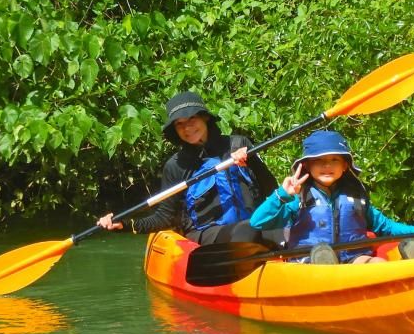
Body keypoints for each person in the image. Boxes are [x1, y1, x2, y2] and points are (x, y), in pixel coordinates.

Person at [97, 90, 282, 246]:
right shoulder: (176, 166)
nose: (187, 128)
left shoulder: (238, 145)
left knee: (280, 228)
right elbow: (164, 218)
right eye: (180, 124)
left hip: (254, 224)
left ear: (205, 119)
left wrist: (251, 161)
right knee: (248, 230)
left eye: (192, 118)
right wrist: (126, 225)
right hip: (206, 234)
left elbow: (271, 190)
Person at [250, 130, 414, 264]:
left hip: (354, 258)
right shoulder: (297, 198)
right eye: (319, 161)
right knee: (322, 259)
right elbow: (258, 222)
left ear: (345, 166)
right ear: (308, 165)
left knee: (377, 263)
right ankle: (326, 269)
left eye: (334, 160)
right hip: (308, 261)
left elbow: (386, 227)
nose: (327, 166)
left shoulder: (356, 198)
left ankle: (413, 269)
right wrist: (282, 195)